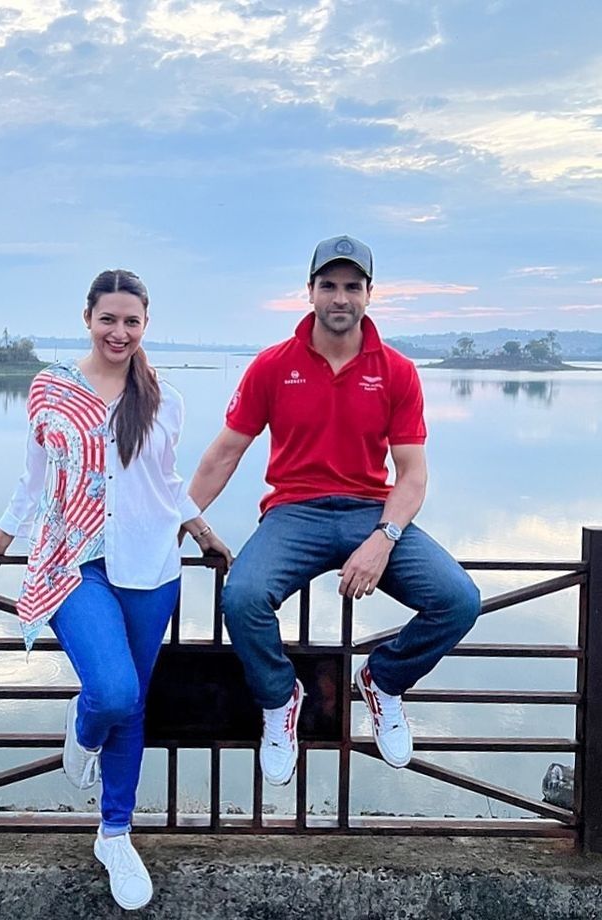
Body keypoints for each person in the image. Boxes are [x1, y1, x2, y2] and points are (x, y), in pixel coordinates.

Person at [0, 269, 230, 911]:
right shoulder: (50, 390)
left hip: (149, 564)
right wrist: (5, 534)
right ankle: (85, 726)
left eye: (132, 321)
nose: (119, 332)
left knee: (134, 703)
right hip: (72, 560)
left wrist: (200, 529)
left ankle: (114, 832)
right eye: (108, 319)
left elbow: (164, 482)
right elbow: (35, 475)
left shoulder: (163, 398)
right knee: (112, 692)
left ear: (146, 325)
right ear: (87, 318)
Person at [187, 235, 481, 787]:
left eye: (352, 286)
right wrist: (176, 514)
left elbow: (413, 475)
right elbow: (224, 453)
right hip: (294, 512)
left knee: (459, 601)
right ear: (310, 291)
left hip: (372, 510)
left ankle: (385, 681)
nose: (340, 297)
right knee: (243, 596)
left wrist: (384, 537)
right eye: (329, 285)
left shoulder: (395, 370)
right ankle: (280, 700)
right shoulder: (273, 366)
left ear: (370, 294)